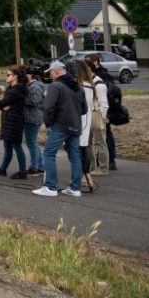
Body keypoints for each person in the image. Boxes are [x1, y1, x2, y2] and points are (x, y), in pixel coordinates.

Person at [33, 60, 87, 198]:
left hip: (60, 126)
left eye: (50, 72)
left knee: (49, 153)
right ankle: (75, 188)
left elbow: (48, 107)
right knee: (75, 155)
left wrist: (49, 124)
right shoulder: (78, 87)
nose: (50, 75)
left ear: (56, 71)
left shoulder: (55, 86)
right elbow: (84, 109)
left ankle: (50, 187)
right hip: (76, 126)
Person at [0, 67, 29, 179]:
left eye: (8, 75)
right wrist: (5, 107)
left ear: (15, 77)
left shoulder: (16, 90)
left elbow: (2, 103)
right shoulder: (12, 88)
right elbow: (4, 105)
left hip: (14, 121)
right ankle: (3, 168)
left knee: (16, 146)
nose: (6, 76)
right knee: (8, 145)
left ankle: (22, 172)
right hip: (10, 120)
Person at [78, 57, 109, 186]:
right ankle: (91, 167)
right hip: (87, 117)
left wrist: (102, 119)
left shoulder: (99, 84)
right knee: (88, 144)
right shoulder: (85, 83)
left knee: (101, 143)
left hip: (96, 116)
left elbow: (104, 103)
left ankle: (103, 168)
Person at [88, 54, 119, 170]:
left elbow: (106, 97)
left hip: (102, 111)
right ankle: (99, 162)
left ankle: (109, 161)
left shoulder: (103, 76)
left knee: (104, 138)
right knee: (101, 139)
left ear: (96, 62)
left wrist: (103, 115)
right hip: (96, 111)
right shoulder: (97, 75)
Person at [23, 66, 46, 176]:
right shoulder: (33, 85)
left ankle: (34, 167)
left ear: (29, 75)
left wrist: (21, 99)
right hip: (32, 116)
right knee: (33, 143)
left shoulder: (35, 86)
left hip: (33, 117)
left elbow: (35, 101)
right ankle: (41, 166)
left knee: (31, 143)